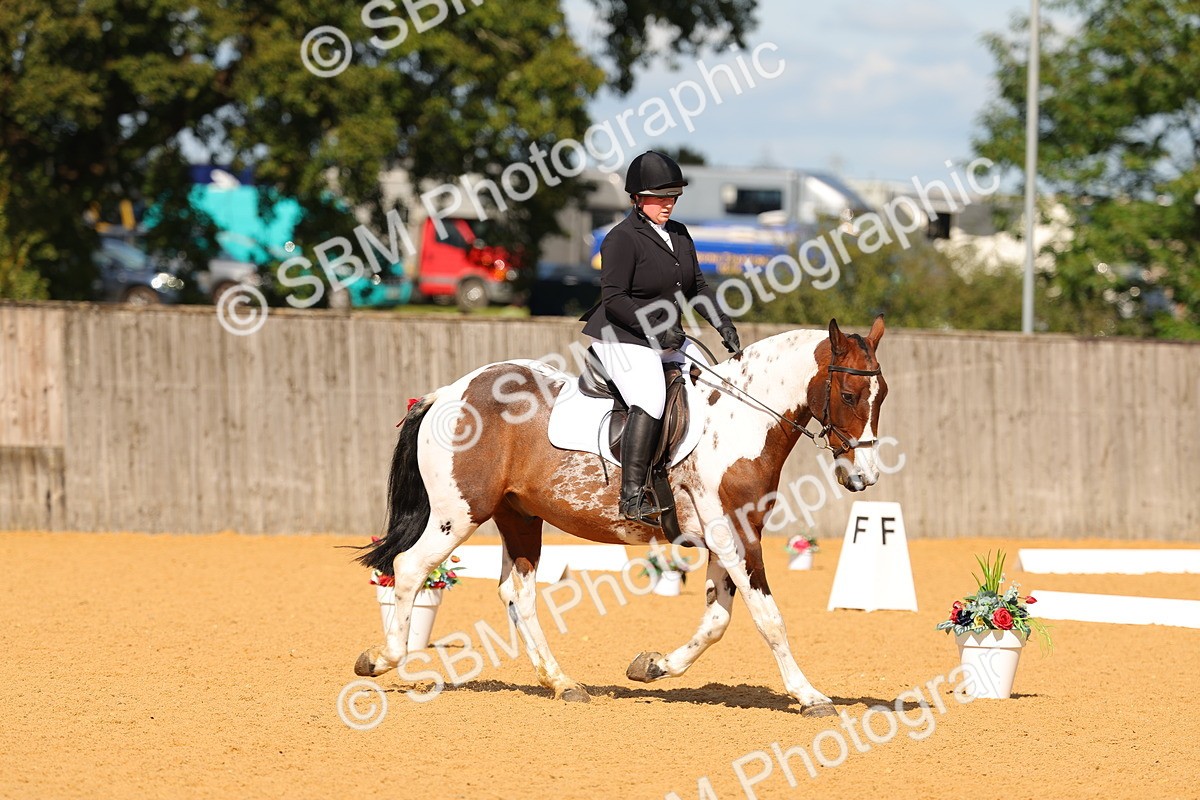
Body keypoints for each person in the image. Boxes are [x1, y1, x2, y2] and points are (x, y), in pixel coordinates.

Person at [580, 150, 741, 525]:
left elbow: (697, 286)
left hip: (665, 335)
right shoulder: (621, 239)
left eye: (672, 197)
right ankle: (632, 496)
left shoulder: (680, 235)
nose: (667, 204)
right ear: (637, 198)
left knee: (714, 385)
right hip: (621, 336)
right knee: (651, 398)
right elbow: (614, 298)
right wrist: (655, 327)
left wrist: (723, 323)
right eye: (659, 197)